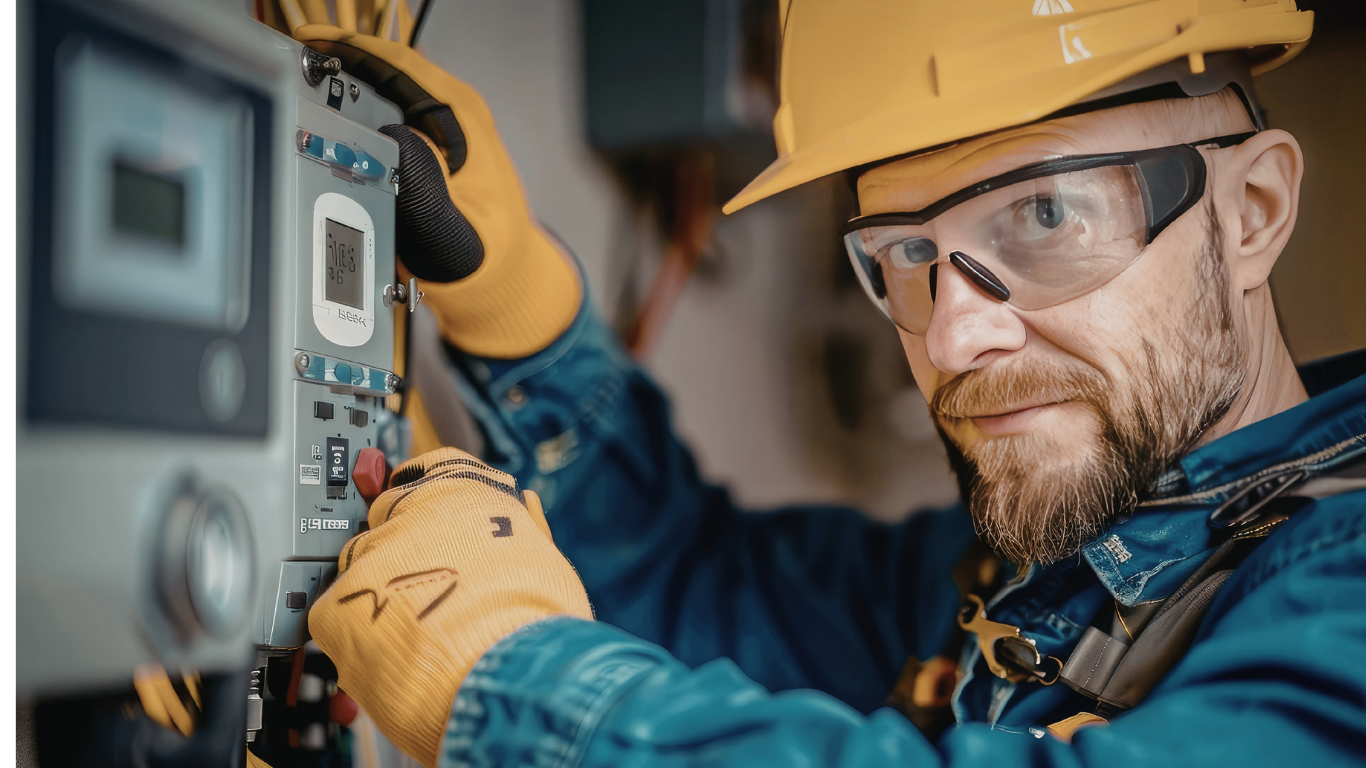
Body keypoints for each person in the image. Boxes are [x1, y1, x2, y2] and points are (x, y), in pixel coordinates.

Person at [293, 3, 1366, 766]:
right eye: (907, 254)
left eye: (1045, 215)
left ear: (1253, 212)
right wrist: (520, 307)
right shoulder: (1017, 577)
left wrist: (512, 684)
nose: (954, 333)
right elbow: (695, 590)